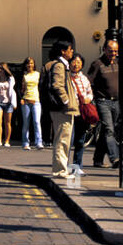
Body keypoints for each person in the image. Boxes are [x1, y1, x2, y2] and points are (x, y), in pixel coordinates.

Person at [87, 39, 122, 168]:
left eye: (116, 51)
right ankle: (115, 158)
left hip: (116, 101)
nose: (113, 53)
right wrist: (91, 97)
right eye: (111, 51)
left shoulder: (118, 62)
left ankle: (98, 159)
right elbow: (89, 81)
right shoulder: (97, 64)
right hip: (103, 102)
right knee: (109, 130)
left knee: (106, 132)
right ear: (104, 50)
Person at [46, 39, 79, 179]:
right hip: (62, 109)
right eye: (70, 49)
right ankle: (60, 170)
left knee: (63, 139)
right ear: (63, 51)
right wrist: (66, 101)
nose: (72, 52)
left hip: (63, 108)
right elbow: (57, 85)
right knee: (62, 140)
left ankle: (61, 168)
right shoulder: (59, 66)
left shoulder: (62, 65)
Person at [69, 54, 96, 173]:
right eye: (74, 61)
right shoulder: (66, 77)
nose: (76, 64)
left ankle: (77, 166)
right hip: (70, 111)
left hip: (82, 112)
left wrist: (88, 99)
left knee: (80, 140)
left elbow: (90, 92)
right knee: (69, 140)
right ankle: (64, 165)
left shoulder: (84, 79)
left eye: (79, 62)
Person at [19, 57, 43, 149]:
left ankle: (39, 142)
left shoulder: (38, 74)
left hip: (36, 100)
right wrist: (21, 98)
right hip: (26, 101)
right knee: (26, 123)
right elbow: (19, 88)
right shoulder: (24, 75)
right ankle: (25, 143)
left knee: (36, 122)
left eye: (32, 63)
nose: (30, 65)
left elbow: (41, 87)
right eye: (28, 63)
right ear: (25, 65)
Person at [0, 63, 18, 147]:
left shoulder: (10, 79)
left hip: (8, 103)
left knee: (7, 122)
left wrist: (14, 103)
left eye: (1, 68)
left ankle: (7, 141)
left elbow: (13, 91)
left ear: (5, 69)